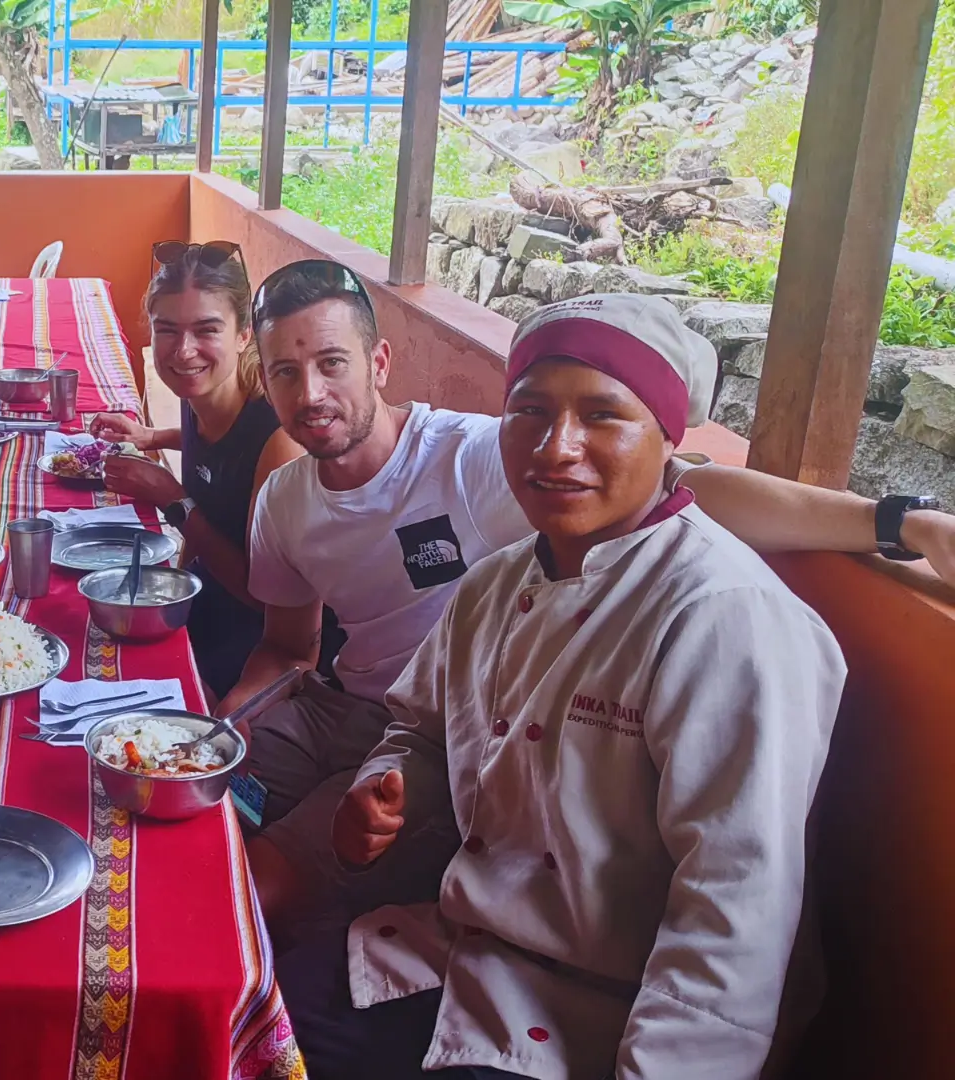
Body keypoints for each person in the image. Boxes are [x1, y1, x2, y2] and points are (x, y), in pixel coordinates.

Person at [227, 261, 955, 933]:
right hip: (339, 712)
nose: (311, 394)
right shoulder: (285, 500)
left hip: (439, 740)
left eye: (332, 364)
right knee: (199, 804)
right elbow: (289, 648)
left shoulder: (485, 457)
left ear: (378, 363)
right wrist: (229, 717)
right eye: (287, 372)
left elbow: (690, 488)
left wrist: (894, 523)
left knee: (259, 887)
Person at [295, 294, 845, 1078]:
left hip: (609, 1015)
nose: (556, 447)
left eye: (602, 416)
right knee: (246, 1012)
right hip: (470, 952)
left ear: (667, 440)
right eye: (530, 411)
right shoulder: (493, 584)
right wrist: (390, 786)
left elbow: (733, 919)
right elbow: (418, 728)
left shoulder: (725, 618)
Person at [87, 240, 304, 701]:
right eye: (167, 330)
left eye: (207, 330)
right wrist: (151, 436)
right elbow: (212, 445)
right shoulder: (200, 397)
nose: (184, 352)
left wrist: (173, 500)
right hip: (205, 598)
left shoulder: (278, 439)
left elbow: (262, 598)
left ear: (245, 334)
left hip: (257, 648)